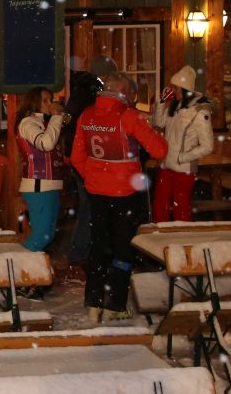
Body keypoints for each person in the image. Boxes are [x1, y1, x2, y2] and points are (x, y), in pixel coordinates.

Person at [70, 72, 167, 319]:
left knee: (99, 245)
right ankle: (115, 305)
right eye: (133, 94)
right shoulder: (129, 116)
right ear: (125, 92)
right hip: (125, 193)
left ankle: (94, 302)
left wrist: (93, 176)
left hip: (96, 192)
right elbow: (159, 150)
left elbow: (76, 157)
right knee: (123, 248)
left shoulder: (87, 115)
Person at [151, 66, 214, 223]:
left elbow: (208, 146)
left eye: (175, 87)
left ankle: (181, 235)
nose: (172, 90)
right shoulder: (176, 106)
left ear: (185, 89)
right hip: (166, 165)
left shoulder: (199, 113)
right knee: (159, 206)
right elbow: (159, 123)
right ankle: (159, 234)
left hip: (184, 169)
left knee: (181, 208)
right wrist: (161, 102)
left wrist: (183, 157)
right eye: (172, 87)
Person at [15, 87, 67, 253]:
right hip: (38, 185)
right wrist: (57, 117)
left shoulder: (44, 122)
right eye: (45, 100)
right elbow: (46, 144)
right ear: (34, 102)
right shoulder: (28, 123)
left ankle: (29, 265)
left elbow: (68, 124)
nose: (50, 104)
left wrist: (59, 116)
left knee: (48, 235)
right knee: (41, 236)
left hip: (49, 185)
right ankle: (19, 264)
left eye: (51, 100)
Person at [61, 67, 104, 266]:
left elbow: (67, 120)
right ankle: (79, 251)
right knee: (88, 206)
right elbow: (70, 121)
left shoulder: (77, 95)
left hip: (78, 155)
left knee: (87, 205)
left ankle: (82, 250)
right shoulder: (87, 95)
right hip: (85, 158)